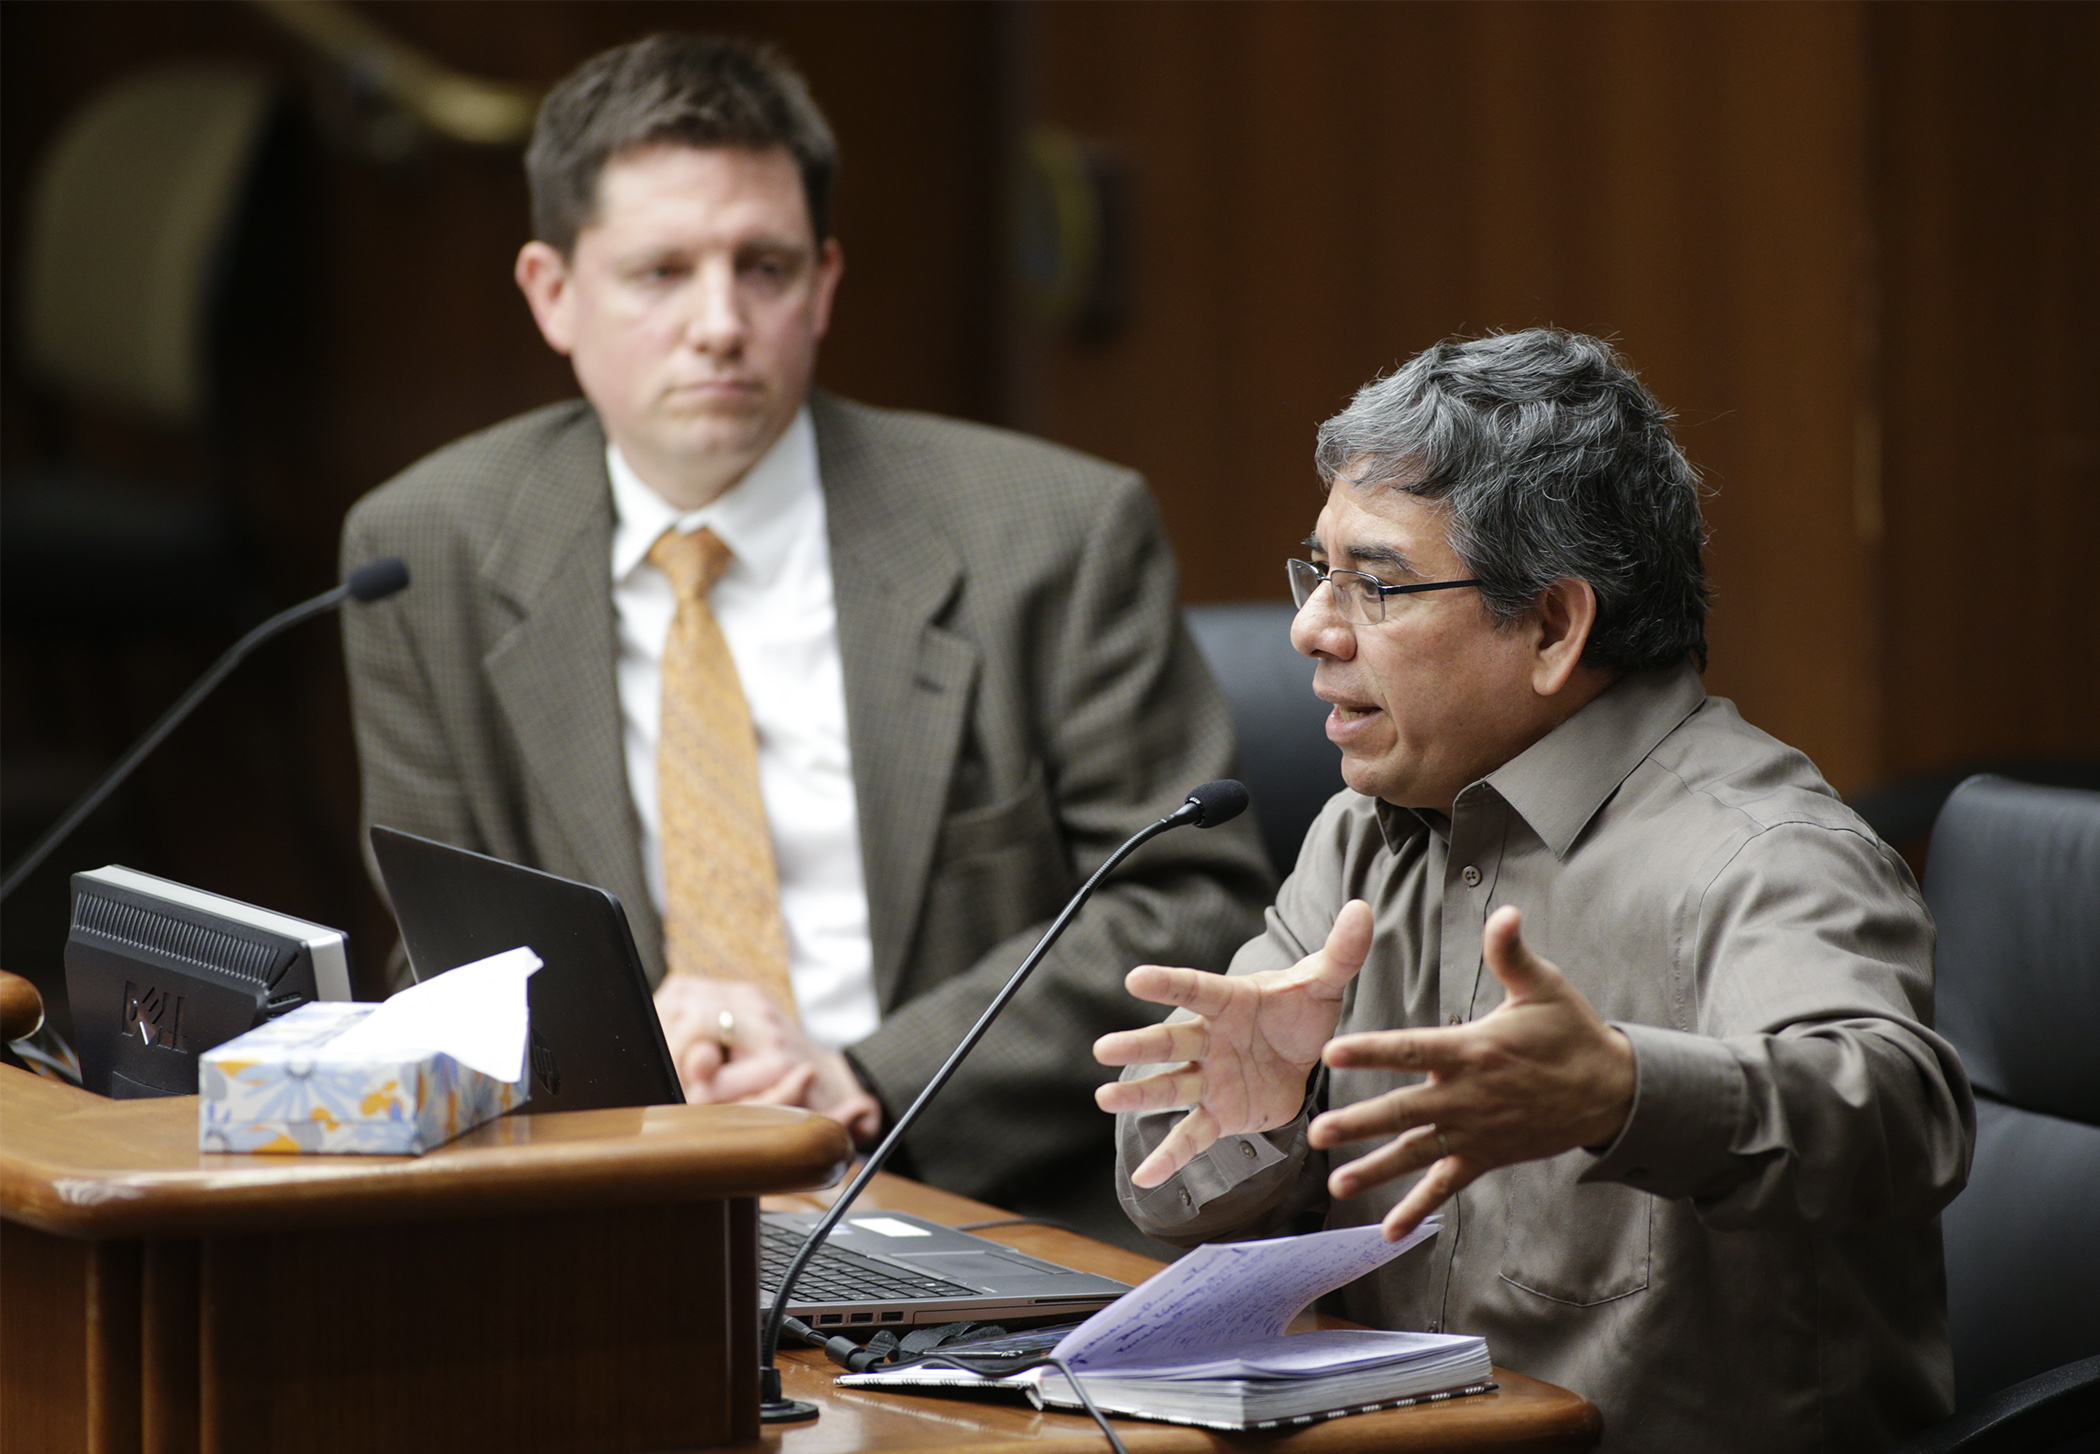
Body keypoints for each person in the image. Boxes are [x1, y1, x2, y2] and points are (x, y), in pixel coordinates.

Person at [339, 34, 1270, 1243]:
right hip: (609, 1206)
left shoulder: (1052, 535)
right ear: (551, 292)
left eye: (762, 266)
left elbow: (1185, 905)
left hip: (971, 1205)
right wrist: (618, 1057)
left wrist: (865, 1071)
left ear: (823, 284)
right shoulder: (426, 550)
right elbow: (444, 957)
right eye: (662, 272)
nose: (719, 323)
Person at [1096, 330, 1974, 1450]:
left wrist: (1622, 1092)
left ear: (1554, 625)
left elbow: (1904, 1114)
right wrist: (1254, 1114)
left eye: (1376, 584)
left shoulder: (1760, 851)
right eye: (1318, 572)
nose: (1310, 628)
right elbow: (1170, 1194)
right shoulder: (1365, 830)